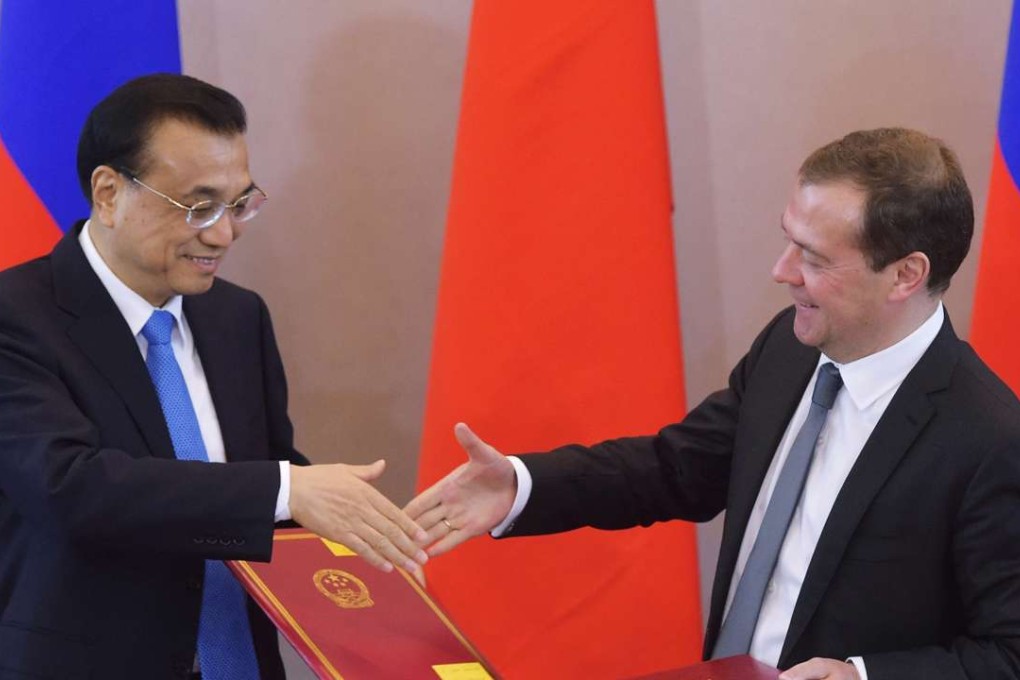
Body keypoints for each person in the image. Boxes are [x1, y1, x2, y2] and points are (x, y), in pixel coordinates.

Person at [407, 128, 1020, 680]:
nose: (783, 271)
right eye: (789, 242)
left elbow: (1008, 652)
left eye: (815, 258)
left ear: (906, 275)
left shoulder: (988, 438)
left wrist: (862, 678)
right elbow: (677, 468)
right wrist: (520, 485)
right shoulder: (789, 346)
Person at [0, 74, 429, 679]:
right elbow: (69, 486)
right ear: (108, 192)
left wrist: (364, 532)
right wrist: (288, 489)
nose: (223, 233)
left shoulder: (238, 315)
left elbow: (264, 475)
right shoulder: (16, 316)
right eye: (198, 206)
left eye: (241, 203)